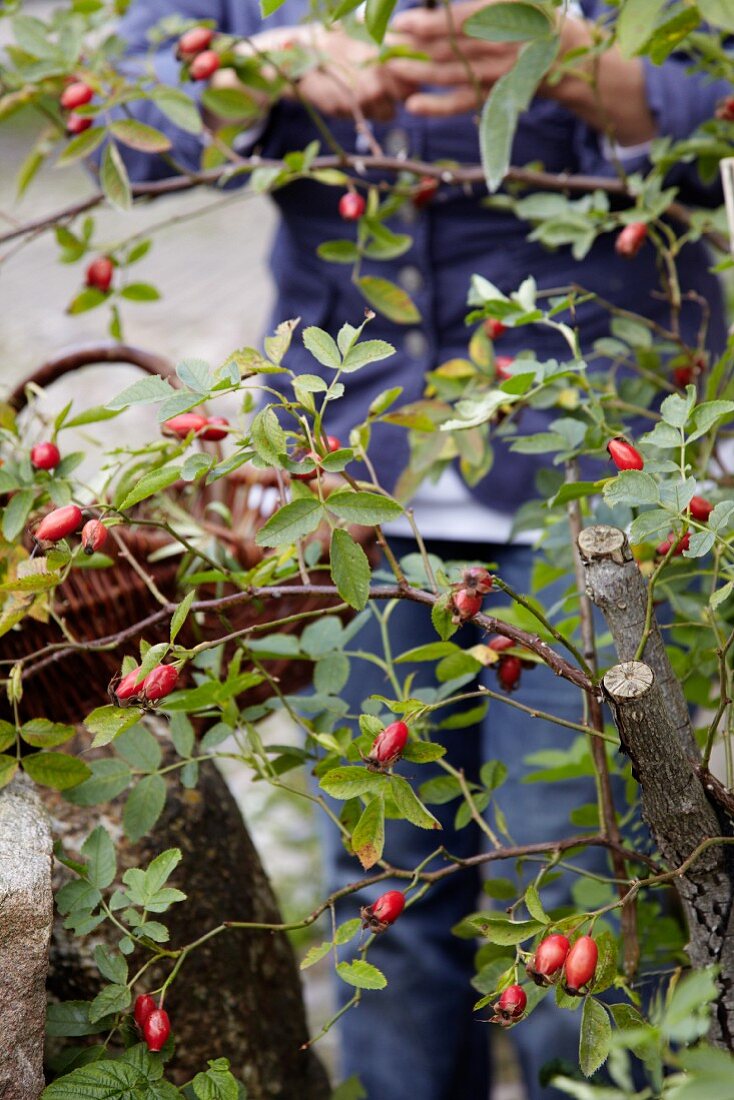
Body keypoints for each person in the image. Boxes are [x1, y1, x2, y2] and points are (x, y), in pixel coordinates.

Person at [111, 3, 730, 1097]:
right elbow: (125, 129)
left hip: (597, 471)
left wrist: (591, 70)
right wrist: (265, 66)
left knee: (589, 878)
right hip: (350, 480)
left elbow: (711, 108)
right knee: (382, 901)